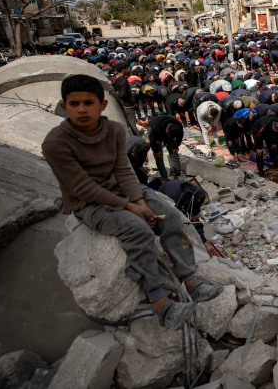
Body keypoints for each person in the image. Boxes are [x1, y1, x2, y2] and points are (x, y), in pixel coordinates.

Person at [42, 74, 224, 330]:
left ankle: (190, 279)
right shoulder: (55, 143)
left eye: (88, 102)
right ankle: (159, 300)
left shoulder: (114, 131)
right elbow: (81, 187)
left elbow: (124, 171)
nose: (81, 109)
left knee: (170, 217)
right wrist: (131, 207)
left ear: (103, 105)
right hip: (89, 203)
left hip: (127, 190)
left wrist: (139, 200)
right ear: (64, 106)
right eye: (74, 104)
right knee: (137, 229)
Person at [147, 114, 184, 181]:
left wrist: (176, 146)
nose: (168, 138)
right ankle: (164, 176)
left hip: (165, 129)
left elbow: (180, 137)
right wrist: (156, 151)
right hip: (153, 127)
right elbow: (153, 141)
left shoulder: (178, 126)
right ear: (166, 131)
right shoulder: (155, 128)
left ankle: (178, 174)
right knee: (159, 155)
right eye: (168, 136)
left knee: (174, 152)